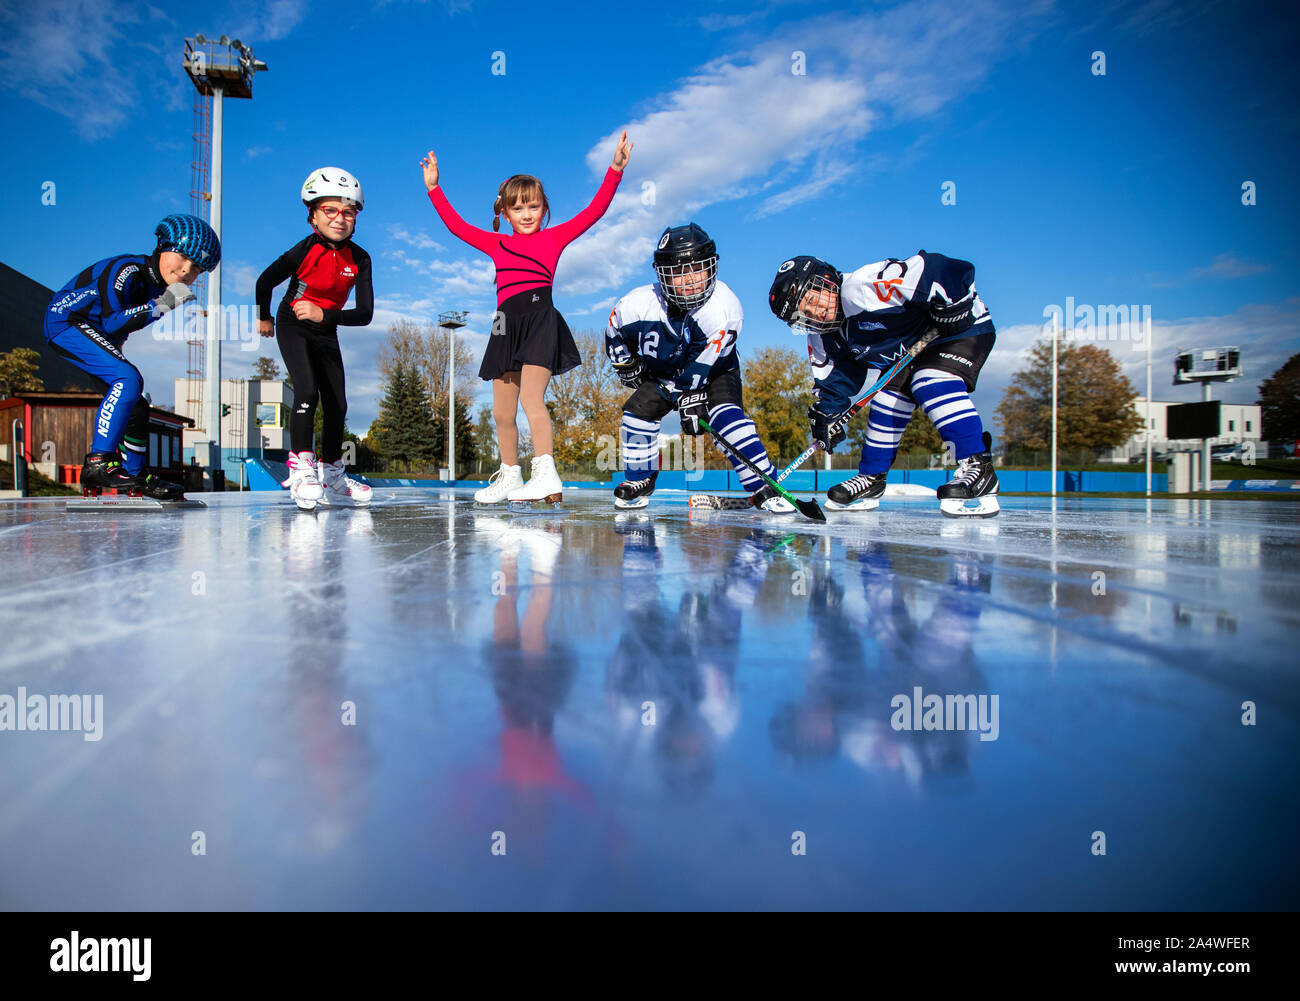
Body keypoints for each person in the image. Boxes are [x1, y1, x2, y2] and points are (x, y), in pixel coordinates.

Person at [420, 131, 633, 504]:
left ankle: (546, 473)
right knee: (502, 412)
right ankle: (510, 476)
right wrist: (435, 189)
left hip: (538, 319)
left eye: (533, 207)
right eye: (517, 209)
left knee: (531, 400)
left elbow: (594, 211)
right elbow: (457, 226)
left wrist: (614, 169)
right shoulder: (496, 242)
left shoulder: (555, 238)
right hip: (505, 325)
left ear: (543, 208)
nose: (526, 214)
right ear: (504, 213)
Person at [768, 251, 1000, 517]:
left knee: (929, 381)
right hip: (913, 352)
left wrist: (954, 303)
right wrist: (828, 415)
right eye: (805, 312)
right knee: (886, 399)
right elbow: (835, 382)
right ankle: (871, 479)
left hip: (959, 330)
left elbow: (936, 268)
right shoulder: (824, 336)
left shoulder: (863, 287)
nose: (815, 312)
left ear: (827, 278)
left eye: (812, 298)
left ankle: (978, 467)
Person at [604, 223, 794, 512]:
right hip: (665, 372)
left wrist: (691, 400)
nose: (690, 279)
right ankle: (639, 479)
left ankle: (766, 484)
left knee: (725, 421)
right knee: (636, 414)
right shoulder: (636, 304)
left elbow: (702, 369)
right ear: (663, 276)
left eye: (697, 268)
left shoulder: (724, 309)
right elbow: (614, 329)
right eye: (679, 272)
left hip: (715, 371)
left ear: (711, 268)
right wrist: (627, 363)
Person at [44, 214, 219, 499]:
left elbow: (122, 327)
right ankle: (99, 462)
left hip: (95, 329)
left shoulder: (159, 286)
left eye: (197, 267)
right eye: (183, 257)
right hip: (67, 322)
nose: (188, 270)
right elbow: (114, 321)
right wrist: (162, 305)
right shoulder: (128, 269)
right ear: (163, 246)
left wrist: (160, 304)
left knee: (136, 405)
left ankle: (135, 475)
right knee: (127, 379)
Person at [257, 167, 374, 509]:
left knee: (338, 403)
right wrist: (264, 318)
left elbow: (364, 314)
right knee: (307, 389)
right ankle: (302, 466)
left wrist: (325, 316)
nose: (340, 218)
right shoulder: (305, 249)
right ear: (312, 215)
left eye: (348, 212)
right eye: (330, 210)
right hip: (292, 322)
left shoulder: (361, 259)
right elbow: (265, 281)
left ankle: (332, 472)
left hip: (326, 328)